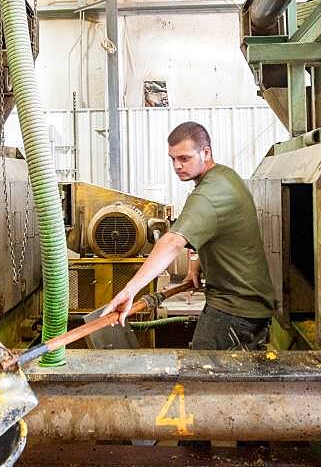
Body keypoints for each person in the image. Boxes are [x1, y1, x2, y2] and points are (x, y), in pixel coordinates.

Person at [101, 121, 275, 349]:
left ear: (206, 152)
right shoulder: (225, 177)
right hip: (247, 305)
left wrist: (129, 290)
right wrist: (196, 264)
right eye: (172, 159)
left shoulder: (209, 193)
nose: (177, 166)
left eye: (184, 158)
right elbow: (218, 231)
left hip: (234, 310)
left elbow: (172, 241)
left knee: (201, 376)